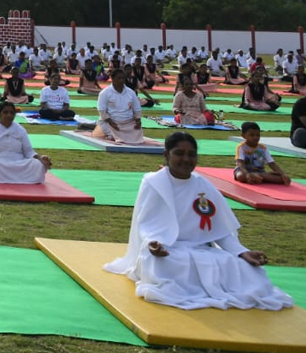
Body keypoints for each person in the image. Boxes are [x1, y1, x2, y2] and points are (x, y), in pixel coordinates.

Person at [104, 131, 293, 310]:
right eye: (179, 153)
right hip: (167, 250)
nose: (186, 159)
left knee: (249, 271)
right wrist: (155, 243)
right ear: (166, 155)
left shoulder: (203, 185)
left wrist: (242, 252)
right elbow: (145, 224)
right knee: (162, 265)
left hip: (202, 250)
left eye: (191, 155)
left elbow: (220, 230)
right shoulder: (154, 182)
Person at [0, 101, 51, 183]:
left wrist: (40, 158)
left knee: (37, 165)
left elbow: (29, 152)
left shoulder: (20, 129)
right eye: (5, 112)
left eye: (12, 113)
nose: (9, 115)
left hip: (19, 162)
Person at [94, 69, 146, 144]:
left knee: (137, 133)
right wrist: (111, 122)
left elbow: (137, 108)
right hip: (111, 122)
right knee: (111, 135)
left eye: (123, 78)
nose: (121, 80)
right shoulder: (104, 93)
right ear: (112, 78)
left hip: (128, 122)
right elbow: (102, 111)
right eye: (118, 78)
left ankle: (116, 136)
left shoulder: (130, 92)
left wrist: (138, 121)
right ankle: (110, 134)